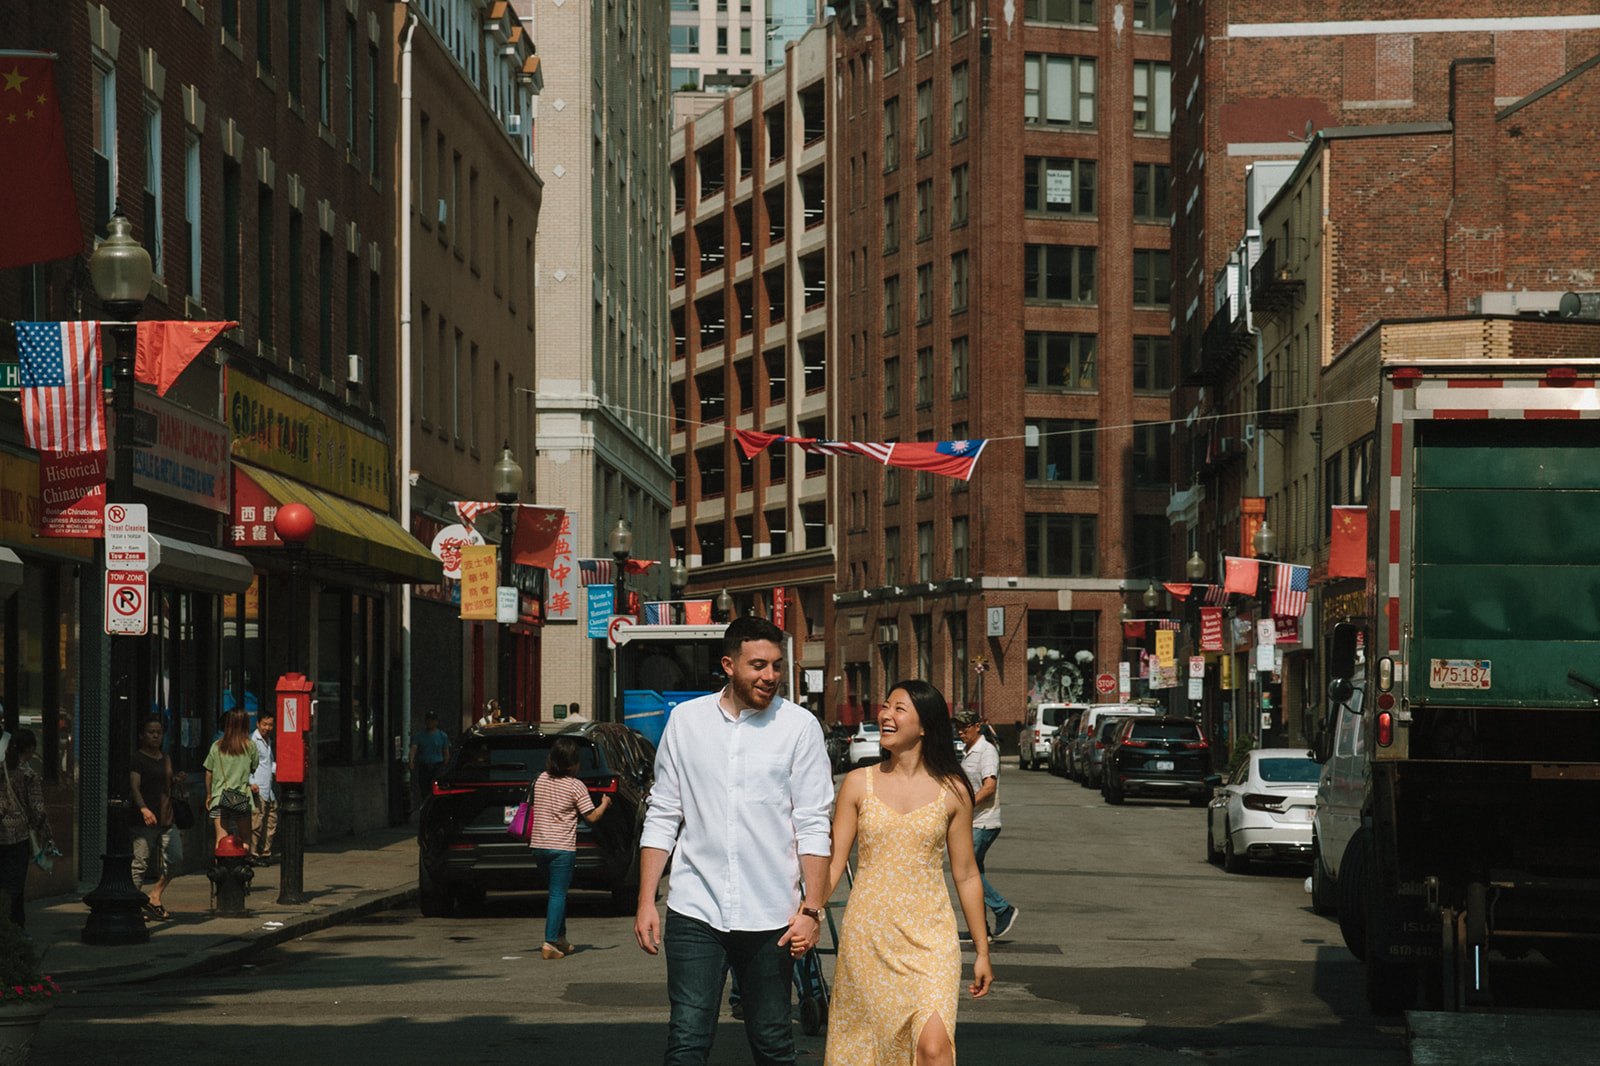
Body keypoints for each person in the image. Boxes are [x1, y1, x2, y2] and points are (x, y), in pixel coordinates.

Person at [634, 616, 833, 1066]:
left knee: (773, 1043)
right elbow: (664, 813)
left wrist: (812, 909)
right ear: (728, 664)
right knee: (686, 1039)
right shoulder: (686, 722)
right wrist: (646, 899)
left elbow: (813, 824)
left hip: (772, 917)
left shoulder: (799, 727)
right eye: (758, 665)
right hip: (695, 910)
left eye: (777, 666)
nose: (770, 677)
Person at [824, 682, 994, 1066]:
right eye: (885, 706)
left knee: (934, 1050)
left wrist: (981, 951)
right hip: (868, 940)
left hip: (931, 942)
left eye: (899, 708)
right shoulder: (857, 782)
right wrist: (809, 911)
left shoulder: (954, 790)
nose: (886, 715)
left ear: (924, 726)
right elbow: (835, 861)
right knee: (869, 1051)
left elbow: (966, 875)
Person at [527, 735, 612, 959]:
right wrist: (604, 804)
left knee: (557, 893)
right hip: (562, 848)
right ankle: (549, 942)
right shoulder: (576, 786)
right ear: (573, 763)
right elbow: (591, 817)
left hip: (539, 845)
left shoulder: (540, 780)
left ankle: (561, 938)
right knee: (558, 895)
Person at [955, 710, 1019, 941]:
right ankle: (980, 931)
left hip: (984, 822)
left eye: (964, 727)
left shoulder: (986, 751)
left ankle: (1003, 909)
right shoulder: (968, 752)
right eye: (957, 727)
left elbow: (988, 787)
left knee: (965, 871)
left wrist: (965, 806)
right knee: (974, 874)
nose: (960, 731)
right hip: (972, 821)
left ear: (977, 726)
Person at [130, 715, 187, 921]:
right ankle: (134, 905)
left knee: (176, 859)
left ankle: (155, 895)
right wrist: (144, 809)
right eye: (151, 732)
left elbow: (165, 785)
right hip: (145, 820)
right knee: (140, 864)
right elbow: (134, 787)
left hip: (166, 817)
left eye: (158, 732)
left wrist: (175, 781)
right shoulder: (137, 758)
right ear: (142, 735)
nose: (155, 736)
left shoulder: (166, 757)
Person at [0, 730, 55, 935]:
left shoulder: (2, 769)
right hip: (18, 836)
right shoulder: (28, 774)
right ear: (31, 748)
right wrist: (47, 837)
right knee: (14, 884)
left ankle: (16, 925)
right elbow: (38, 810)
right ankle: (10, 925)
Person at [204, 710, 260, 848]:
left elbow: (208, 773)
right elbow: (253, 768)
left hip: (219, 798)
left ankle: (221, 867)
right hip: (240, 797)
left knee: (220, 840)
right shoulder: (250, 746)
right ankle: (241, 865)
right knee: (245, 839)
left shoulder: (216, 746)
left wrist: (209, 794)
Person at [250, 712, 277, 865]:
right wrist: (251, 782)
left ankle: (265, 852)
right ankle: (253, 854)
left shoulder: (268, 741)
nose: (267, 728)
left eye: (270, 725)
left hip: (268, 789)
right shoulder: (252, 741)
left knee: (271, 821)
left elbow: (269, 763)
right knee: (256, 823)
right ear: (258, 724)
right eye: (265, 724)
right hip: (258, 787)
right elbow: (248, 763)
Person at [409, 713, 451, 802]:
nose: (430, 722)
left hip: (437, 766)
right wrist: (411, 761)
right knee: (424, 789)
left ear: (436, 722)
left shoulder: (442, 736)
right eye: (428, 720)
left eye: (433, 720)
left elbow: (446, 752)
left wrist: (445, 767)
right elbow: (413, 749)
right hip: (424, 766)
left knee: (436, 789)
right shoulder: (419, 736)